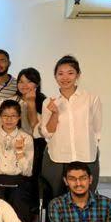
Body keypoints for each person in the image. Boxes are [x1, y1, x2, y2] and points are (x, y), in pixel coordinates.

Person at [40, 55, 102, 198]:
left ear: (78, 75)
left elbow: (97, 130)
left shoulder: (91, 99)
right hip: (57, 158)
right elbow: (47, 133)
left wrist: (89, 146)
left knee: (86, 198)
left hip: (86, 156)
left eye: (70, 73)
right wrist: (55, 113)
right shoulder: (49, 102)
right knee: (56, 198)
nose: (65, 78)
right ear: (55, 76)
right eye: (60, 73)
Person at [0, 100, 36, 222]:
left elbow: (27, 172)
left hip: (18, 181)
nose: (9, 119)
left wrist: (20, 152)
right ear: (0, 117)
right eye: (5, 115)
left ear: (19, 117)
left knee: (19, 203)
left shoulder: (26, 138)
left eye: (13, 116)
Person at [2, 68, 47, 180]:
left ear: (37, 84)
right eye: (21, 81)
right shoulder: (12, 100)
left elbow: (36, 129)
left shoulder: (43, 101)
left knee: (33, 176)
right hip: (14, 143)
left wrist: (31, 103)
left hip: (37, 145)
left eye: (29, 81)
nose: (24, 85)